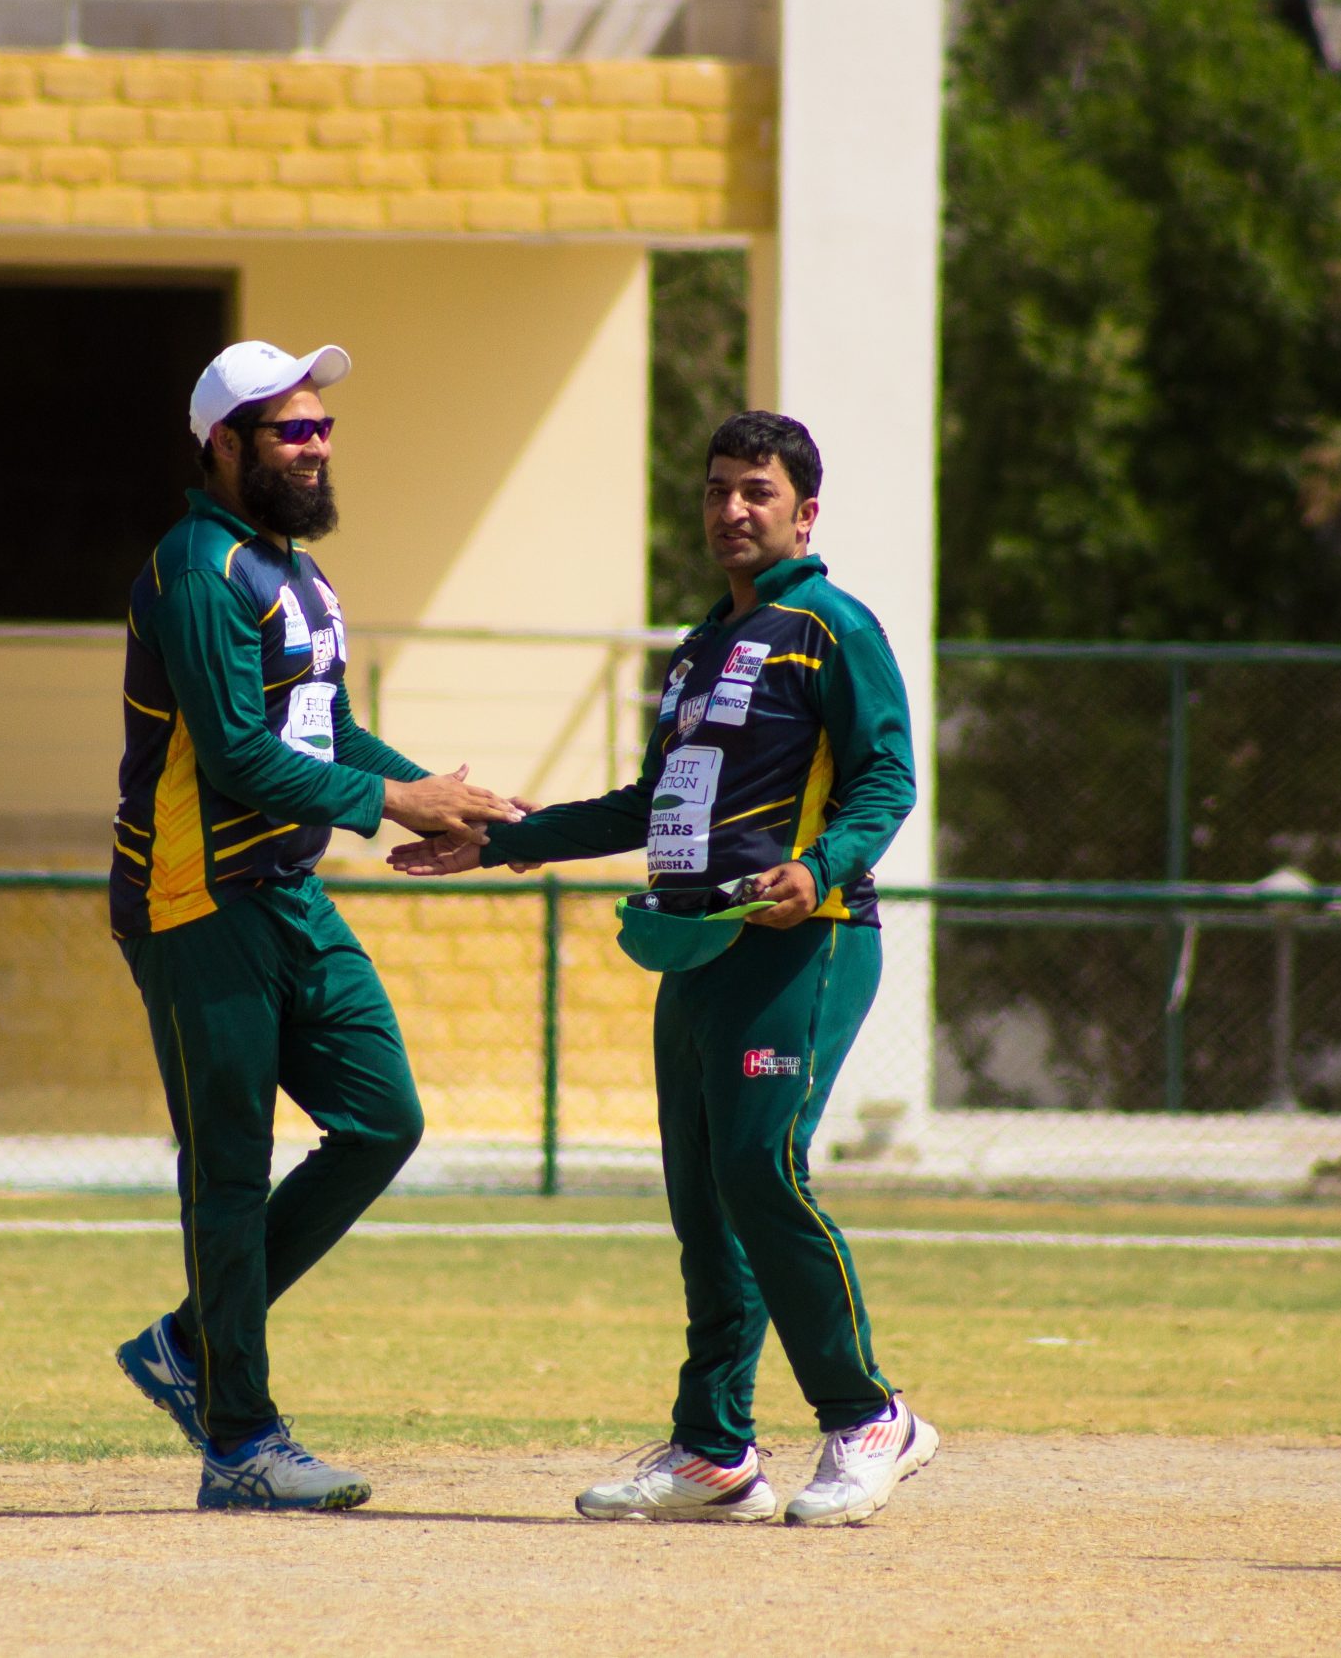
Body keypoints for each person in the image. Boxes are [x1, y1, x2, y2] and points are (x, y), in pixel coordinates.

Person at [390, 410, 934, 1527]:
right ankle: (715, 1452)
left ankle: (870, 1415)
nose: (732, 509)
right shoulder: (697, 648)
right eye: (718, 489)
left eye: (757, 492)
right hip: (696, 947)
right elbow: (648, 805)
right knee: (704, 1199)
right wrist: (499, 840)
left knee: (758, 1167)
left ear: (805, 514)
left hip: (803, 942)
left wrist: (817, 867)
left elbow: (887, 777)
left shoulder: (832, 626)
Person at [109, 339, 522, 1512]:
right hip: (194, 897)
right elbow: (238, 755)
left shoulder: (291, 571)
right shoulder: (197, 569)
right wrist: (393, 803)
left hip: (285, 891)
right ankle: (240, 1438)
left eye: (322, 426)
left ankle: (189, 1343)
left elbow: (326, 732)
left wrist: (444, 798)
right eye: (290, 429)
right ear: (224, 445)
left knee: (383, 1118)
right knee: (229, 1171)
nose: (316, 445)